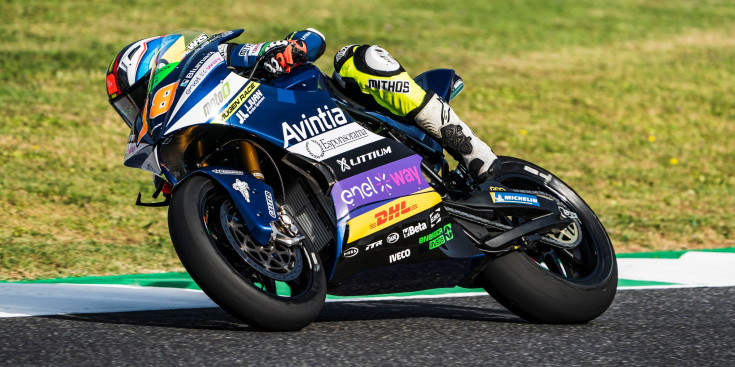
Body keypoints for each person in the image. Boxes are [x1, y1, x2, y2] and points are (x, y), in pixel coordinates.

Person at [106, 28, 498, 181]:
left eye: (137, 99)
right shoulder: (185, 140)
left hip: (331, 110)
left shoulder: (220, 59)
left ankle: (476, 154)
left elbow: (313, 38)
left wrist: (287, 50)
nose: (137, 111)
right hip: (301, 157)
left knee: (358, 58)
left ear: (161, 69)